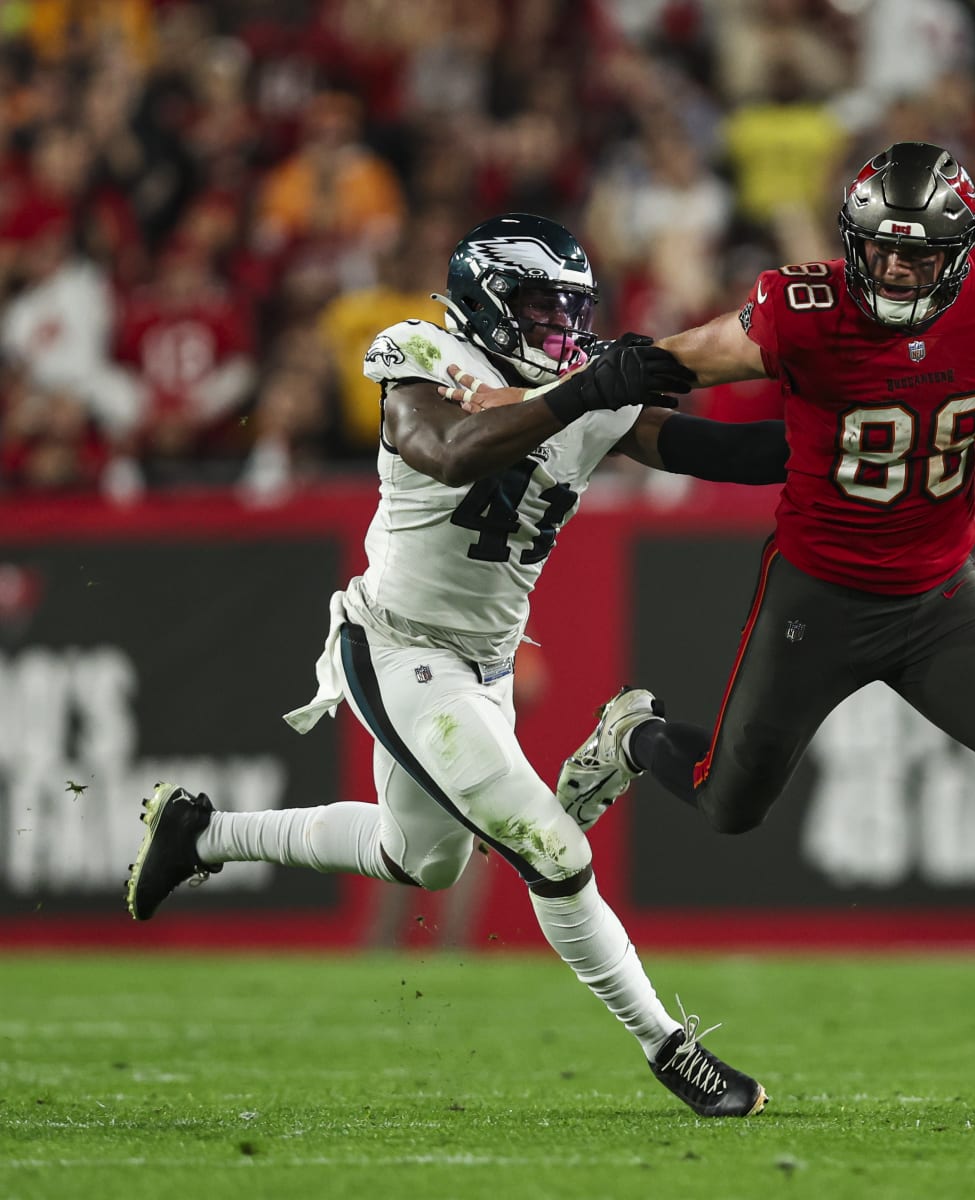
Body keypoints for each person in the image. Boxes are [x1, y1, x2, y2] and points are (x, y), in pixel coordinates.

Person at [453, 145, 975, 1069]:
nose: (898, 269)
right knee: (728, 804)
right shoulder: (802, 309)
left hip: (941, 598)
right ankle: (634, 735)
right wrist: (549, 398)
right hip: (818, 595)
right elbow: (677, 360)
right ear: (853, 244)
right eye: (883, 250)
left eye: (921, 253)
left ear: (963, 251)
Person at [123, 212, 788, 1118]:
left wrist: (876, 429)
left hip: (484, 662)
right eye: (542, 308)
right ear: (484, 303)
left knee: (422, 862)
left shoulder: (586, 391)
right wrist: (586, 389)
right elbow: (449, 450)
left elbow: (735, 456)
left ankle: (200, 836)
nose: (562, 331)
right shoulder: (421, 354)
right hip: (395, 644)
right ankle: (669, 1047)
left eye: (573, 311)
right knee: (553, 850)